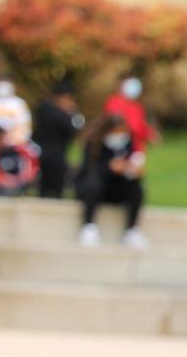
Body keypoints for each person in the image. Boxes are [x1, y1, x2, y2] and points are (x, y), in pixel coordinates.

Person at [75, 112, 148, 249]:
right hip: (95, 188)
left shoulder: (127, 143)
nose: (119, 135)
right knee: (93, 184)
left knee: (136, 188)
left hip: (116, 188)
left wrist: (131, 169)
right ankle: (89, 226)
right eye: (117, 131)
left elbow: (132, 162)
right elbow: (88, 169)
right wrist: (109, 167)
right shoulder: (94, 144)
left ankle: (131, 230)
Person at [31, 80, 82, 199]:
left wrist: (70, 113)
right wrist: (66, 113)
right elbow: (58, 121)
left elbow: (73, 129)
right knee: (44, 186)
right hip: (45, 152)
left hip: (60, 152)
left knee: (58, 185)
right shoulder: (45, 109)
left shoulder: (70, 113)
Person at [102, 74, 157, 154]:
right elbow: (118, 123)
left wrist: (149, 133)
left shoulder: (137, 106)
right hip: (120, 147)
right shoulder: (113, 103)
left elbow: (140, 125)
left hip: (136, 147)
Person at [0, 126, 40, 196]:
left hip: (20, 182)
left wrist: (21, 178)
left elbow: (31, 164)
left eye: (4, 136)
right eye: (0, 137)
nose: (3, 140)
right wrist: (3, 179)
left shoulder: (18, 150)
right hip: (1, 185)